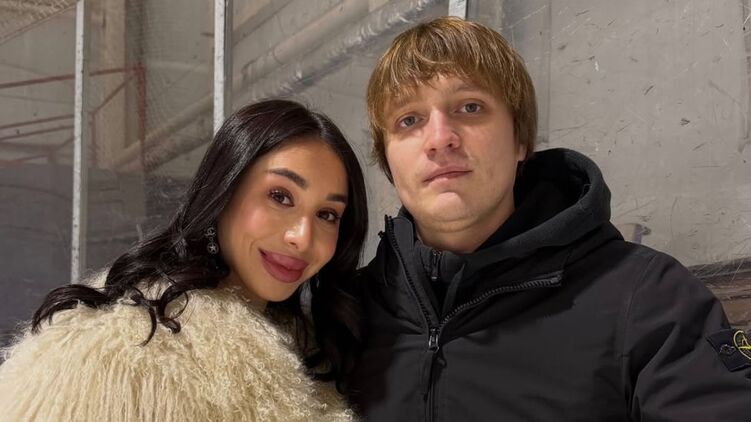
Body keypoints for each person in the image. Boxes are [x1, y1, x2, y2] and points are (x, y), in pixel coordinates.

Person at [346, 16, 751, 421]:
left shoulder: (648, 297)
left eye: (470, 107)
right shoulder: (348, 313)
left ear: (520, 140)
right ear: (387, 161)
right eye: (409, 120)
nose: (440, 138)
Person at [0, 99, 367, 421]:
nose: (302, 237)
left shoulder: (314, 352)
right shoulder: (122, 356)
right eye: (280, 196)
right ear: (224, 190)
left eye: (327, 214)